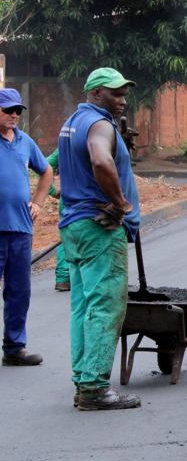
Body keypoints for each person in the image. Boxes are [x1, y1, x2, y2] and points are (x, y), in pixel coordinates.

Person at [57, 68, 141, 410]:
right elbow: (100, 161)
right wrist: (120, 205)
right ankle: (94, 389)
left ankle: (83, 379)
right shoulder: (99, 124)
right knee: (105, 306)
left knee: (83, 306)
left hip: (74, 225)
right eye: (114, 94)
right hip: (99, 226)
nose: (121, 101)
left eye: (123, 94)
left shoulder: (72, 122)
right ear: (95, 94)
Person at [0, 88, 53, 367]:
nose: (14, 115)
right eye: (8, 109)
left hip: (20, 228)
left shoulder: (24, 141)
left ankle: (14, 348)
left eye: (18, 111)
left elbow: (45, 170)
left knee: (19, 290)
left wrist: (38, 202)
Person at [45, 148, 70, 291]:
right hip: (87, 199)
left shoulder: (66, 144)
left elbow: (45, 166)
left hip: (66, 199)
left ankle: (63, 277)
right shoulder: (94, 141)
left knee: (66, 236)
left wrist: (52, 191)